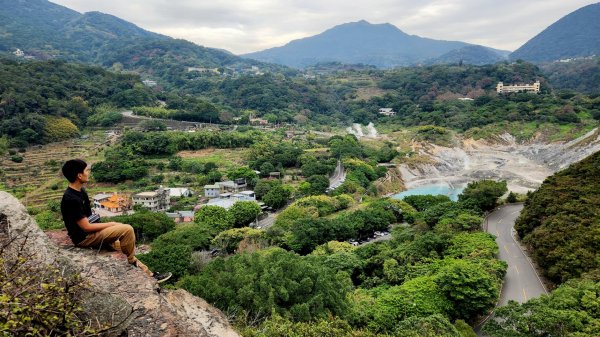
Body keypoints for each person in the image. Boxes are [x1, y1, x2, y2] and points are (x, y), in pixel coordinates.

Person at [60, 159, 171, 283]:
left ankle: (150, 275)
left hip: (92, 233)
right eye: (86, 170)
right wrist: (111, 224)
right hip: (84, 237)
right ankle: (130, 262)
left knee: (122, 246)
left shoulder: (81, 192)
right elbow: (86, 227)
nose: (89, 173)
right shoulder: (71, 198)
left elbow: (90, 217)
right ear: (79, 175)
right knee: (127, 229)